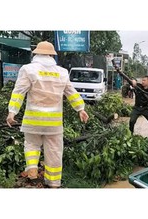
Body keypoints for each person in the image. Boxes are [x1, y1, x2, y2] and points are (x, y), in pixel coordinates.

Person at [6, 41, 89, 188]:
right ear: (51, 55)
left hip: (33, 120)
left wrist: (12, 112)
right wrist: (80, 109)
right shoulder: (62, 72)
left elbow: (19, 92)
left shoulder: (28, 70)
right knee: (55, 152)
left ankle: (32, 171)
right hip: (54, 123)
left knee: (31, 145)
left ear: (36, 53)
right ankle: (54, 183)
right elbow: (71, 93)